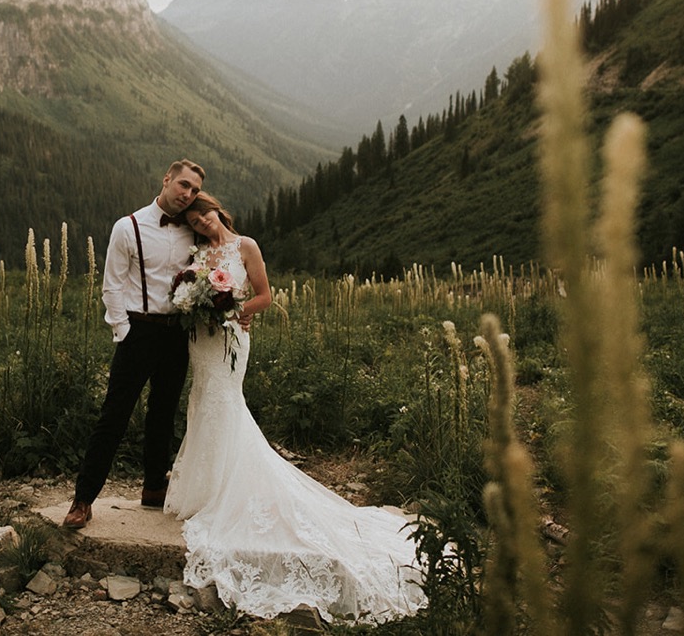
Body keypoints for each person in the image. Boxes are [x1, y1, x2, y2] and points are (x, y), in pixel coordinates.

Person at [163, 193, 428, 623]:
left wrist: (235, 311)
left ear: (218, 211)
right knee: (202, 399)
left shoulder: (244, 246)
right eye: (195, 220)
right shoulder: (200, 254)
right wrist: (196, 305)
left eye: (205, 214)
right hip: (203, 341)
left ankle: (229, 487)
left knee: (223, 400)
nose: (203, 222)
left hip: (231, 338)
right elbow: (193, 294)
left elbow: (265, 296)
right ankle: (205, 486)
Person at [64, 159, 206, 529]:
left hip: (177, 334)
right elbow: (112, 285)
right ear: (167, 180)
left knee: (163, 414)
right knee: (114, 416)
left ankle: (154, 488)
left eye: (194, 190)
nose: (187, 194)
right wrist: (124, 332)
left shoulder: (194, 230)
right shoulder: (127, 227)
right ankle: (83, 499)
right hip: (138, 332)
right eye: (183, 186)